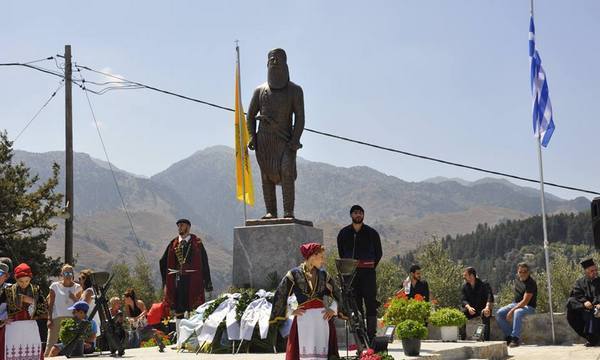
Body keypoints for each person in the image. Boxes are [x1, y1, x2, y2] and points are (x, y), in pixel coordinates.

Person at [247, 48, 305, 219]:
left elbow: (300, 118)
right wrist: (252, 136)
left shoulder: (295, 90)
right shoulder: (260, 91)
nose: (274, 61)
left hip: (285, 140)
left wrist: (295, 140)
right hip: (264, 140)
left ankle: (288, 211)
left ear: (285, 63)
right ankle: (271, 211)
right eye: (271, 59)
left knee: (287, 171)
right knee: (266, 175)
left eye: (278, 59)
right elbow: (250, 116)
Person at [270, 243, 345, 360]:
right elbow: (280, 294)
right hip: (303, 321)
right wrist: (291, 311)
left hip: (322, 321)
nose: (323, 260)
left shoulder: (324, 275)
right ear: (313, 256)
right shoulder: (294, 274)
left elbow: (338, 293)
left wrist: (333, 309)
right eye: (321, 256)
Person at [159, 218, 212, 344]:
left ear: (188, 227)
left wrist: (208, 282)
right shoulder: (173, 244)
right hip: (178, 281)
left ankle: (195, 340)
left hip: (194, 281)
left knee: (194, 309)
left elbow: (204, 263)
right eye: (178, 226)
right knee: (179, 310)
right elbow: (163, 261)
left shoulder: (197, 243)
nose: (179, 228)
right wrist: (166, 282)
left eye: (182, 225)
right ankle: (180, 341)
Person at [0, 263, 48, 360]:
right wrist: (2, 320)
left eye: (26, 281)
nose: (24, 284)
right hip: (12, 329)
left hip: (30, 329)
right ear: (16, 279)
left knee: (31, 353)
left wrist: (30, 300)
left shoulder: (36, 290)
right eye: (20, 281)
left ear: (30, 278)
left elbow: (44, 309)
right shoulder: (8, 290)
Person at [496, 262, 537, 347]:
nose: (522, 274)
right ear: (517, 272)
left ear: (528, 272)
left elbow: (525, 302)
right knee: (499, 313)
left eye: (524, 271)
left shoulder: (531, 283)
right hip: (515, 303)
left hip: (529, 307)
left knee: (517, 312)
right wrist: (512, 307)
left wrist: (511, 310)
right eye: (520, 272)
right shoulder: (518, 279)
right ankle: (509, 336)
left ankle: (515, 339)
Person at [45, 264, 82, 356]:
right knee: (51, 343)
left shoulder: (77, 287)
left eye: (70, 273)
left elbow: (80, 305)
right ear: (62, 274)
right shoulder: (54, 286)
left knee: (70, 344)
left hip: (71, 319)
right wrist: (49, 318)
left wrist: (74, 298)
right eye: (65, 273)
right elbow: (50, 303)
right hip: (57, 318)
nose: (68, 275)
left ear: (73, 274)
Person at [566, 258, 600, 347]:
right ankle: (591, 338)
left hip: (597, 307)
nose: (595, 272)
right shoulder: (580, 282)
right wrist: (584, 302)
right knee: (571, 301)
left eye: (596, 270)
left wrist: (598, 304)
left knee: (594, 313)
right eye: (592, 271)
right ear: (586, 271)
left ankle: (594, 339)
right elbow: (576, 293)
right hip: (585, 307)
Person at [459, 267, 494, 340]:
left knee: (485, 315)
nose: (464, 277)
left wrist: (487, 307)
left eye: (465, 275)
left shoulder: (484, 284)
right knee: (461, 315)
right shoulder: (464, 286)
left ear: (471, 276)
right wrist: (469, 308)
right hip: (471, 309)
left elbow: (489, 296)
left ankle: (485, 339)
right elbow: (463, 300)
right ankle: (462, 337)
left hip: (483, 308)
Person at [78, 269, 101, 337]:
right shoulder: (91, 291)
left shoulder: (89, 291)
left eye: (80, 279)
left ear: (85, 279)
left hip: (89, 323)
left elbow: (83, 306)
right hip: (90, 322)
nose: (79, 281)